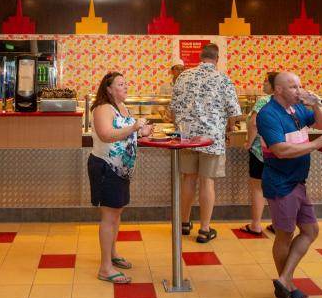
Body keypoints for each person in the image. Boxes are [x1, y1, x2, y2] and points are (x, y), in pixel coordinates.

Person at [256, 71, 322, 298]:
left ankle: (284, 279)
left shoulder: (297, 109)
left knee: (311, 231)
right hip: (280, 182)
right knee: (285, 234)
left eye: (300, 86)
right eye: (293, 87)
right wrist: (315, 144)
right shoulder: (268, 114)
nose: (299, 90)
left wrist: (317, 103)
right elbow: (280, 150)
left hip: (299, 181)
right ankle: (288, 285)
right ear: (278, 90)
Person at [170, 43, 242, 243]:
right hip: (211, 138)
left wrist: (182, 126)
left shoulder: (183, 76)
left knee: (188, 179)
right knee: (207, 181)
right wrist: (229, 127)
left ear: (200, 57)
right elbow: (234, 113)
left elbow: (173, 109)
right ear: (217, 59)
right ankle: (204, 229)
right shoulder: (222, 78)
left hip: (187, 137)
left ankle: (183, 223)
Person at [89, 71, 154, 284]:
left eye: (126, 84)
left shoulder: (123, 107)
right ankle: (105, 268)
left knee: (117, 213)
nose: (126, 87)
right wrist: (134, 127)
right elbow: (106, 134)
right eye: (120, 84)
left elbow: (126, 133)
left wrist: (142, 133)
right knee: (109, 215)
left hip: (121, 169)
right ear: (108, 89)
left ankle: (113, 254)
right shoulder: (102, 108)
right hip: (106, 167)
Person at [238, 71, 278, 236]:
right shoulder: (283, 101)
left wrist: (248, 142)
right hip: (278, 149)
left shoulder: (263, 100)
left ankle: (255, 225)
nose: (263, 85)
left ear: (273, 85)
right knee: (275, 186)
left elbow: (254, 123)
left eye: (265, 82)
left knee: (257, 188)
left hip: (260, 150)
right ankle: (278, 223)